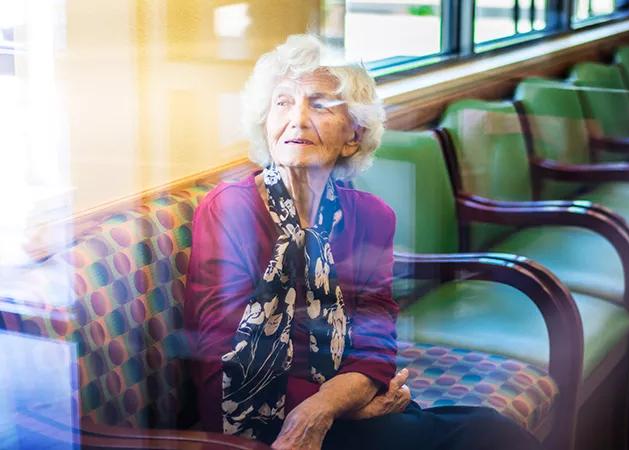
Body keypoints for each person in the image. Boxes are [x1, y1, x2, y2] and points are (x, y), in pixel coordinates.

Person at [184, 34, 543, 450]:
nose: (298, 118)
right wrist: (344, 407)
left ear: (353, 134)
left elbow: (376, 338)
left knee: (488, 430)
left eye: (319, 104)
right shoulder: (230, 211)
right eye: (283, 102)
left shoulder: (371, 217)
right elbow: (221, 369)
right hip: (250, 420)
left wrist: (324, 408)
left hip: (340, 406)